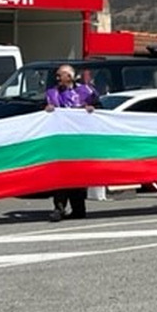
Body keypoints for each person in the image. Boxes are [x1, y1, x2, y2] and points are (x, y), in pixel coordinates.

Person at [45, 64, 99, 222]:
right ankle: (59, 208)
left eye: (59, 75)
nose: (57, 78)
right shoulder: (52, 93)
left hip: (79, 141)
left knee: (77, 174)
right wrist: (46, 109)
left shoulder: (86, 91)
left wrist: (91, 108)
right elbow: (44, 114)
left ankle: (78, 208)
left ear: (69, 76)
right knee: (60, 175)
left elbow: (100, 108)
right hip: (61, 141)